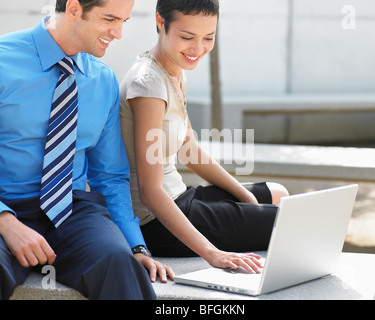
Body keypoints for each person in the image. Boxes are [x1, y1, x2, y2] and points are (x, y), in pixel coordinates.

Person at [0, 0, 173, 300]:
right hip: (7, 204)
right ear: (73, 9)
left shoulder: (102, 79)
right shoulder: (3, 62)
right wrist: (5, 221)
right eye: (109, 19)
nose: (118, 33)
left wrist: (136, 245)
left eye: (124, 21)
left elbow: (109, 176)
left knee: (119, 264)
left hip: (72, 207)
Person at [120, 0, 289, 273]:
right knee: (289, 223)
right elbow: (150, 192)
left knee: (277, 194)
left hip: (182, 196)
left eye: (208, 38)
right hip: (157, 222)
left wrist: (245, 197)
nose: (198, 49)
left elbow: (190, 152)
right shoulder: (148, 85)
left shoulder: (173, 70)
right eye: (187, 37)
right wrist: (213, 254)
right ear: (161, 23)